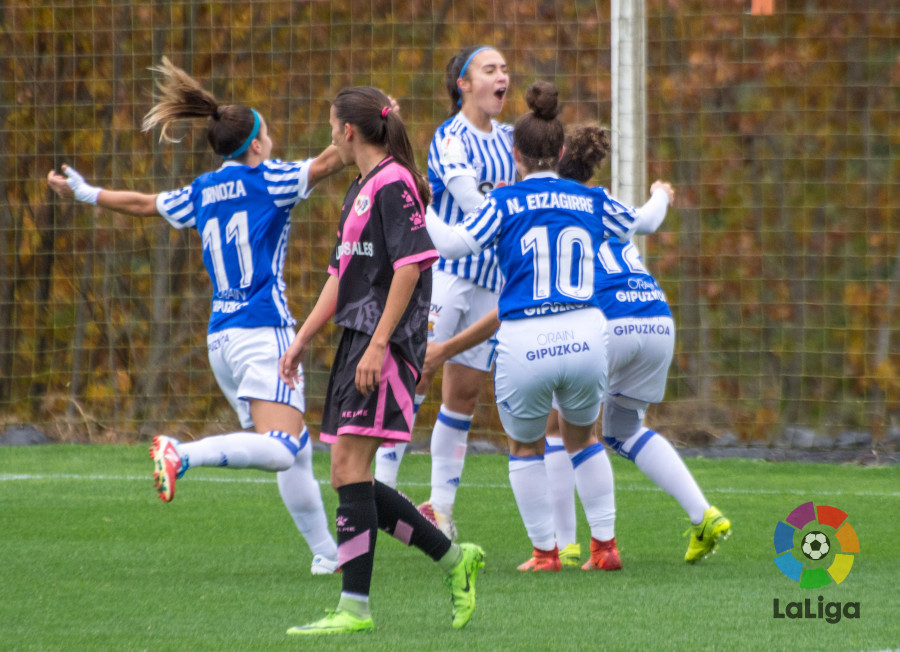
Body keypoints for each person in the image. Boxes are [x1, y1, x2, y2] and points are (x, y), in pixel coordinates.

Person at [46, 56, 340, 575]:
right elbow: (329, 162)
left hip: (221, 341)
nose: (271, 140)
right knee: (281, 447)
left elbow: (142, 203)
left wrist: (87, 192)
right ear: (254, 145)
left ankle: (326, 556)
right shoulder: (269, 179)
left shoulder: (204, 190)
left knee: (295, 450)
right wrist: (372, 121)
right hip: (262, 332)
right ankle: (182, 453)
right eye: (267, 133)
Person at [424, 122, 730, 568]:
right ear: (565, 150)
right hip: (617, 326)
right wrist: (661, 194)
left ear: (516, 154)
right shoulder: (594, 201)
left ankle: (550, 550)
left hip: (547, 332)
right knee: (592, 437)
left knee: (531, 443)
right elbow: (644, 221)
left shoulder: (507, 202)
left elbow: (455, 245)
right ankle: (608, 546)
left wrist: (427, 200)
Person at [278, 86, 484, 636]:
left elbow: (412, 267)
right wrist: (301, 340)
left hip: (386, 346)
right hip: (360, 340)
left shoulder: (394, 183)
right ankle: (451, 559)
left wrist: (377, 344)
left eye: (330, 125)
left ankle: (355, 609)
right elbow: (338, 277)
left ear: (349, 130)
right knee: (350, 471)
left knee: (348, 468)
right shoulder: (360, 188)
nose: (329, 136)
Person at [372, 46, 515, 542]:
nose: (503, 76)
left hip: (492, 278)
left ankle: (440, 509)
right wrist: (512, 217)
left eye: (504, 69)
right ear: (464, 83)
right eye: (490, 69)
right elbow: (471, 199)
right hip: (447, 274)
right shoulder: (449, 138)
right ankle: (380, 492)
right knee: (414, 376)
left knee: (465, 393)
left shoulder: (512, 140)